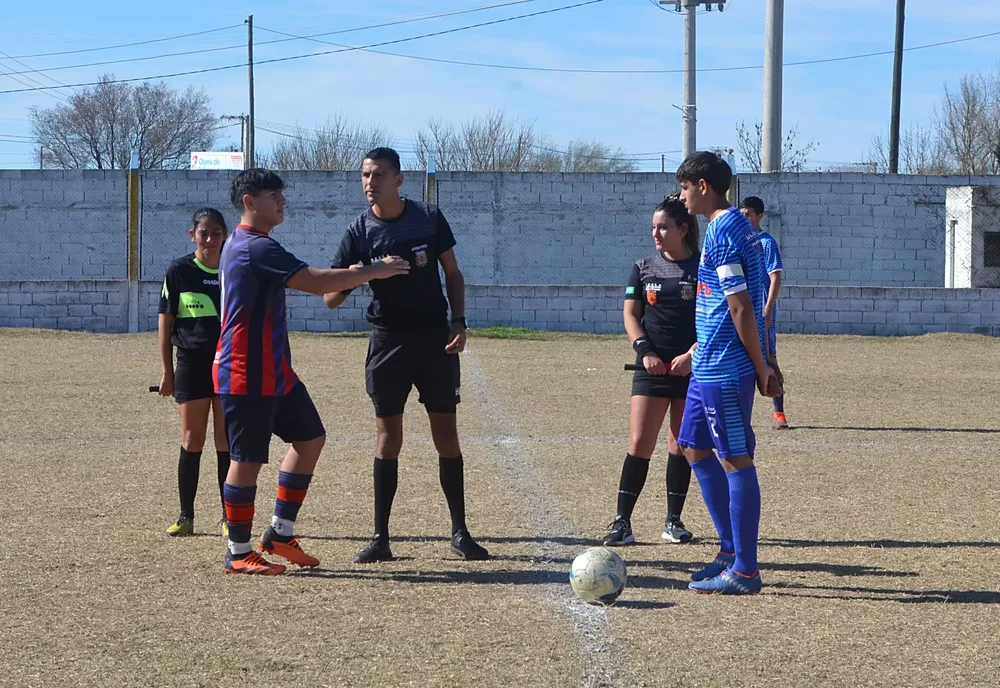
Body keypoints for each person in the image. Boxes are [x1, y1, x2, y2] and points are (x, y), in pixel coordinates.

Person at [216, 168, 409, 575]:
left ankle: (280, 534)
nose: (282, 201)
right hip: (246, 372)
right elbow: (316, 282)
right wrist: (374, 269)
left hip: (274, 370)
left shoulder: (254, 243)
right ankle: (238, 552)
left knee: (310, 439)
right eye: (274, 196)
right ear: (250, 202)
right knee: (247, 459)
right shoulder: (254, 247)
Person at [324, 147, 490, 564]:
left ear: (399, 179)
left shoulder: (429, 218)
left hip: (435, 339)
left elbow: (452, 272)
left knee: (446, 435)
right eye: (365, 174)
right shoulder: (359, 232)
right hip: (387, 343)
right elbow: (330, 297)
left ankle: (460, 533)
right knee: (388, 437)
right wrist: (367, 272)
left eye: (378, 174)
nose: (369, 182)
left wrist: (459, 321)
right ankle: (380, 538)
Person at [675, 151, 781, 595]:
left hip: (725, 367)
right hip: (707, 362)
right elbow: (722, 303)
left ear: (703, 187)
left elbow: (739, 306)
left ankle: (745, 570)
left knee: (736, 458)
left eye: (684, 187)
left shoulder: (722, 232)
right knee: (692, 446)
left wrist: (761, 366)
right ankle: (727, 549)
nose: (680, 197)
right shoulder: (737, 225)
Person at [604, 195, 700, 547]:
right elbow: (631, 314)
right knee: (640, 442)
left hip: (691, 368)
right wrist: (644, 351)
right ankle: (622, 522)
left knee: (681, 444)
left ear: (683, 229)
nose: (656, 234)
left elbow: (715, 318)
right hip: (651, 368)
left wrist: (692, 354)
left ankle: (673, 521)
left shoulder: (703, 268)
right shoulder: (643, 266)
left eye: (663, 227)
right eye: (653, 227)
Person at [158, 208, 229, 537]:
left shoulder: (234, 268)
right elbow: (165, 322)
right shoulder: (179, 271)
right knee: (192, 439)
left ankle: (232, 517)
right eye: (204, 233)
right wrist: (166, 372)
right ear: (192, 235)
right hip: (191, 365)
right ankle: (186, 516)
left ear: (225, 235)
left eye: (217, 232)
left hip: (229, 365)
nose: (211, 239)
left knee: (226, 441)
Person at [739, 196, 788, 429]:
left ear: (759, 217)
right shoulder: (738, 242)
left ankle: (779, 412)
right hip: (741, 312)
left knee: (769, 357)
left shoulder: (767, 243)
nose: (744, 218)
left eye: (748, 214)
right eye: (742, 214)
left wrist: (767, 309)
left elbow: (775, 276)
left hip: (761, 313)